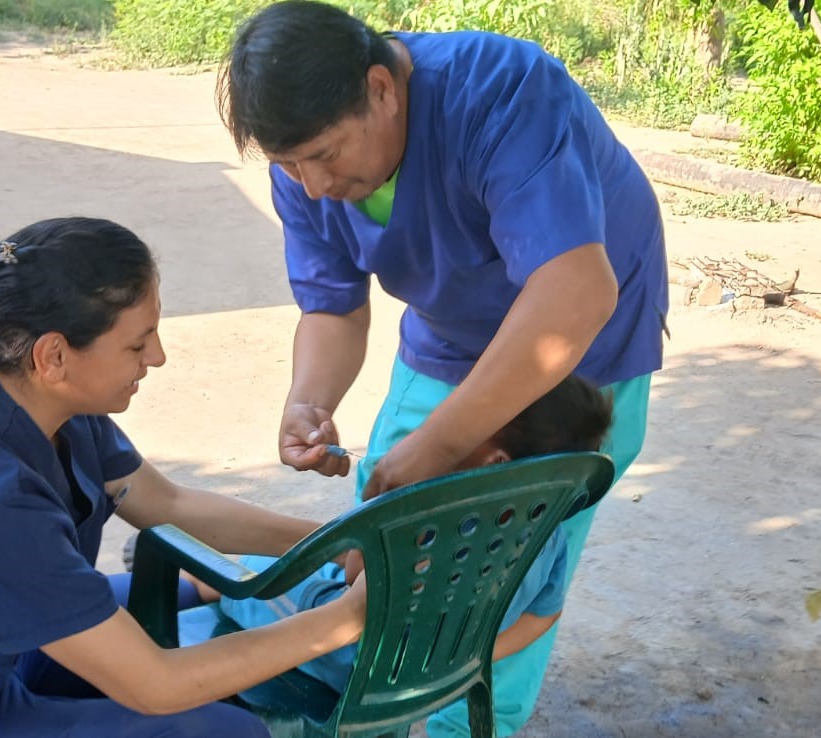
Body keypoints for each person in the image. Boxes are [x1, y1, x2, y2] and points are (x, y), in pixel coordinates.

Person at [217, 2, 668, 735]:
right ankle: (367, 705)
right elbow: (332, 305)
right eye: (287, 165)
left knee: (511, 562)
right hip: (453, 335)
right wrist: (310, 397)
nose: (312, 185)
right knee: (391, 536)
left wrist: (433, 449)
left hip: (580, 351)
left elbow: (573, 296)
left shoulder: (501, 90)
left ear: (382, 90)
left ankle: (471, 720)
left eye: (326, 155)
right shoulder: (305, 167)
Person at [0, 217, 367, 738]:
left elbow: (167, 504)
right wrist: (345, 618)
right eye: (138, 343)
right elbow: (155, 685)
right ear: (53, 355)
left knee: (210, 581)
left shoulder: (34, 393)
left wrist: (338, 541)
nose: (158, 357)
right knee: (218, 730)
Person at [187, 375, 611, 697]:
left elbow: (357, 576)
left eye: (461, 422)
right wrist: (463, 660)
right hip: (439, 672)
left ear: (493, 461)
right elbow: (543, 615)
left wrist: (384, 498)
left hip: (352, 658)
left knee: (257, 574)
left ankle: (203, 583)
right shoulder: (550, 536)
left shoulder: (433, 519)